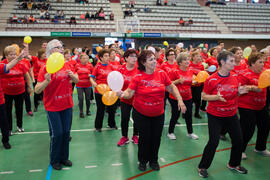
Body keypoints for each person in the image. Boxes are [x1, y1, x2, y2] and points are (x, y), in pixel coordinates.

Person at [117, 50, 186, 171]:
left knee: (156, 137)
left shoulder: (161, 74)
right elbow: (129, 93)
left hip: (158, 113)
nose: (154, 61)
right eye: (151, 60)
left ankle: (154, 160)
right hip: (141, 113)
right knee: (144, 138)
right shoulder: (137, 76)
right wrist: (122, 94)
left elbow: (171, 87)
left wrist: (180, 99)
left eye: (154, 59)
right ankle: (142, 161)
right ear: (143, 62)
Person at [198, 51, 248, 178]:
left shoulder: (235, 77)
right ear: (222, 62)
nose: (234, 63)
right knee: (213, 142)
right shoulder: (211, 79)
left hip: (231, 114)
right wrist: (215, 97)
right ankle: (202, 166)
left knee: (238, 139)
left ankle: (234, 164)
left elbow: (233, 93)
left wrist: (239, 92)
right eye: (231, 61)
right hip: (215, 116)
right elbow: (203, 96)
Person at [35, 39, 78, 170]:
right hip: (52, 106)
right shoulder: (45, 67)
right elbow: (37, 89)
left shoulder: (67, 65)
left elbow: (76, 80)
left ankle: (64, 157)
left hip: (67, 104)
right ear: (51, 50)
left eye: (61, 47)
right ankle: (54, 160)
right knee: (57, 134)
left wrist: (73, 77)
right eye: (58, 47)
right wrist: (46, 81)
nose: (61, 49)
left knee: (66, 133)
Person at [238, 52, 270, 159]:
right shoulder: (244, 74)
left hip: (261, 105)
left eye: (263, 62)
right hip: (246, 106)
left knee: (265, 126)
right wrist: (252, 87)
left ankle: (260, 148)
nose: (263, 64)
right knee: (248, 129)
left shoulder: (265, 73)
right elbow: (239, 90)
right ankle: (240, 150)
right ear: (252, 63)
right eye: (260, 62)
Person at [0, 44, 29, 149]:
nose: (12, 55)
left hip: (3, 98)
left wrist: (18, 58)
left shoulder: (1, 66)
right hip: (6, 93)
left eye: (14, 54)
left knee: (4, 121)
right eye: (10, 54)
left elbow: (8, 67)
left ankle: (6, 139)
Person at [167, 52, 199, 140]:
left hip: (188, 97)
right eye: (185, 60)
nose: (188, 61)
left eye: (188, 59)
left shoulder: (190, 70)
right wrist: (177, 81)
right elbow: (168, 84)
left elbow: (189, 81)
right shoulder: (174, 71)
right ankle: (170, 132)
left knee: (188, 115)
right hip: (175, 98)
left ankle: (190, 132)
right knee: (175, 115)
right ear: (180, 62)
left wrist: (194, 82)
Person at [90, 49, 117, 132]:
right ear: (101, 58)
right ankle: (98, 127)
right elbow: (91, 77)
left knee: (111, 109)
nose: (107, 57)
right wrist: (93, 83)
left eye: (108, 56)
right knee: (100, 110)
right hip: (99, 92)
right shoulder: (97, 66)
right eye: (105, 56)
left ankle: (111, 124)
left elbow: (115, 77)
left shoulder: (111, 66)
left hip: (110, 92)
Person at [117, 49, 139, 147]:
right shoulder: (120, 69)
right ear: (126, 58)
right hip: (124, 98)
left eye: (135, 56)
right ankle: (124, 137)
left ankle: (135, 135)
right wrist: (117, 92)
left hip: (136, 98)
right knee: (124, 118)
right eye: (132, 56)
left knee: (137, 118)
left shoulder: (139, 69)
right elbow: (116, 83)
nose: (134, 58)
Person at [189, 51, 204, 119]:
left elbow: (202, 75)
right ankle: (186, 113)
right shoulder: (189, 64)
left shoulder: (201, 65)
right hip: (190, 86)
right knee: (189, 100)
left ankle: (196, 113)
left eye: (200, 56)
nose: (199, 58)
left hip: (198, 85)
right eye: (197, 56)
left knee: (198, 100)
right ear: (193, 57)